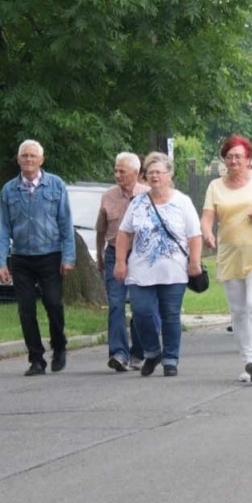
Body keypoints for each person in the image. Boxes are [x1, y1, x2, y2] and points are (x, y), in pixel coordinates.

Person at [200, 135, 252, 384]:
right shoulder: (215, 186)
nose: (234, 160)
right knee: (238, 312)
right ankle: (246, 359)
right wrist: (206, 233)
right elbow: (207, 217)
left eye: (239, 156)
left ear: (248, 159)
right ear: (224, 160)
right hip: (229, 254)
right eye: (229, 156)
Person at [115, 152, 203, 377]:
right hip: (141, 270)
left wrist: (194, 262)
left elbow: (194, 235)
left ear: (169, 175)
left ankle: (171, 358)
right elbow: (124, 233)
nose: (154, 177)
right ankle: (153, 351)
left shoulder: (182, 201)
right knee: (141, 312)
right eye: (150, 173)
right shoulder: (138, 203)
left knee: (170, 315)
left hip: (173, 270)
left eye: (159, 172)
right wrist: (120, 262)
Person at [0, 139, 76, 375]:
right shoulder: (9, 190)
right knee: (26, 309)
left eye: (33, 156)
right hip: (21, 258)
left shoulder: (55, 186)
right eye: (25, 156)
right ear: (18, 160)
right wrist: (1, 263)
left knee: (53, 303)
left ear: (41, 160)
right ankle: (36, 358)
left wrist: (68, 257)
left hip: (50, 255)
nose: (29, 160)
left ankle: (59, 346)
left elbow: (65, 222)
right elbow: (3, 229)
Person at [95, 152, 149, 371]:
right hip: (113, 253)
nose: (117, 175)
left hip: (140, 255)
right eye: (115, 170)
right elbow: (101, 229)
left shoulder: (148, 195)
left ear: (136, 173)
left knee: (139, 305)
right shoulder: (108, 196)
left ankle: (139, 352)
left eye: (122, 171)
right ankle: (118, 353)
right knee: (116, 304)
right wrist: (99, 255)